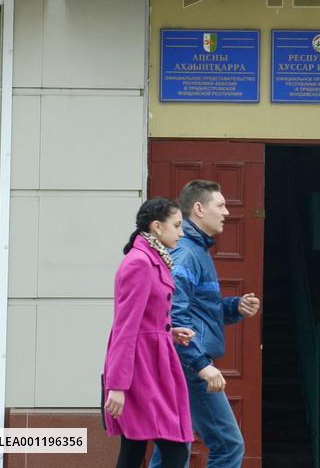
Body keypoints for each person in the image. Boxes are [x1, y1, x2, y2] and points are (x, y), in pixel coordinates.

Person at [149, 180, 260, 468]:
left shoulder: (196, 251)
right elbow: (173, 315)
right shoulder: (187, 253)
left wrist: (235, 307)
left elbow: (199, 310)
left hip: (183, 360)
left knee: (173, 449)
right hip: (189, 362)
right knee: (228, 445)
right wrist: (200, 364)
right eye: (220, 205)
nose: (226, 212)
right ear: (198, 209)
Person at [103, 197, 195, 468]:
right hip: (141, 369)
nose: (181, 232)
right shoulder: (140, 263)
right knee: (174, 448)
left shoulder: (152, 257)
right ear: (157, 226)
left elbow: (145, 317)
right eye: (177, 225)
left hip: (152, 361)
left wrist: (168, 330)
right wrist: (117, 386)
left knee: (134, 447)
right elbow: (125, 326)